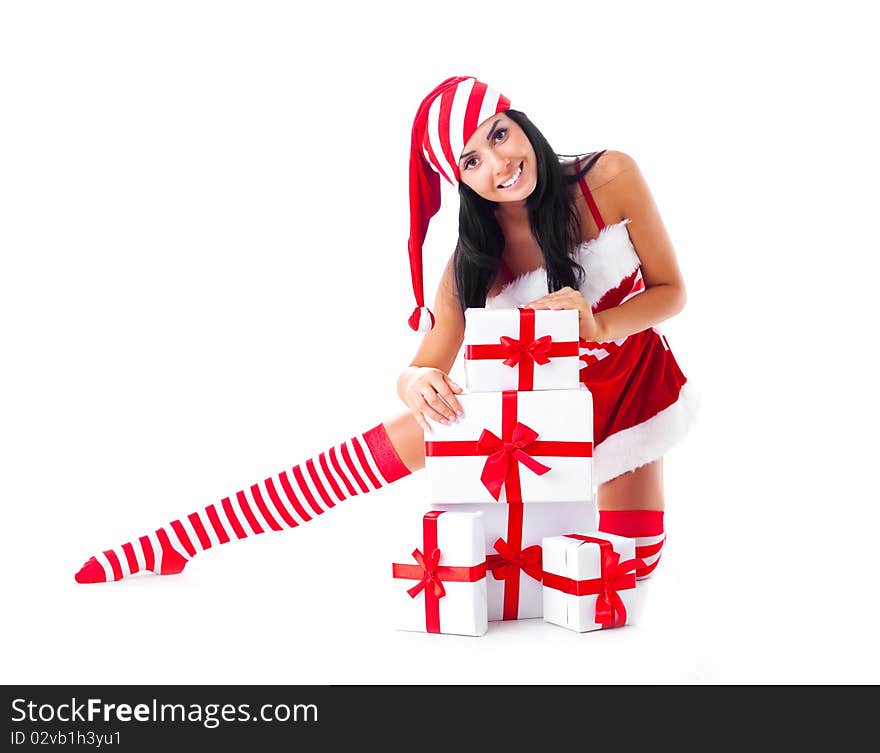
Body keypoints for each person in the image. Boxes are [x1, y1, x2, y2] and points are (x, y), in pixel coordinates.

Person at [74, 75, 697, 584]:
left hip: (633, 395)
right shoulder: (472, 261)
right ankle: (181, 538)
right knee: (385, 446)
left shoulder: (608, 177)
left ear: (519, 121)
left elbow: (672, 292)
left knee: (631, 572)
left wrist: (600, 322)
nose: (500, 164)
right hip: (528, 416)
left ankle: (523, 558)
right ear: (460, 180)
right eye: (472, 161)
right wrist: (417, 383)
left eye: (500, 135)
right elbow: (423, 364)